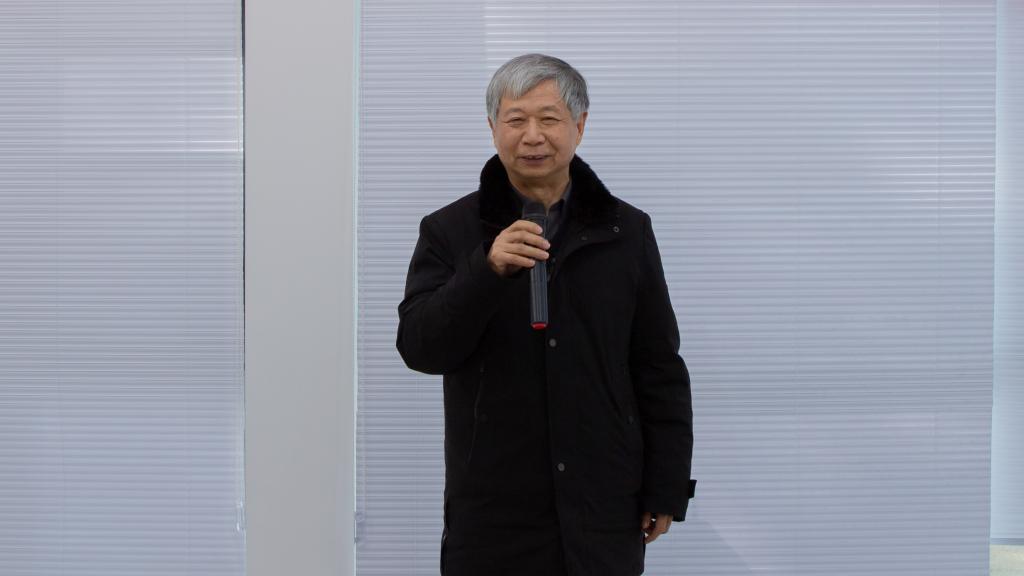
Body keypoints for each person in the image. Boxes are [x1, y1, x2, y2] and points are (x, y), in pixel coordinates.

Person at [397, 53, 694, 576]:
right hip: (493, 513)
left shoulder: (626, 231)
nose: (532, 136)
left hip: (603, 503)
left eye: (549, 118)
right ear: (493, 128)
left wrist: (666, 486)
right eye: (516, 120)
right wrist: (485, 270)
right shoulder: (449, 230)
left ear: (580, 125)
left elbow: (658, 366)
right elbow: (420, 348)